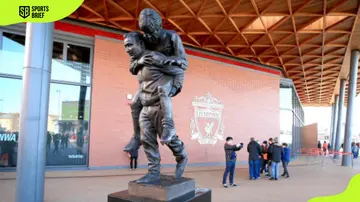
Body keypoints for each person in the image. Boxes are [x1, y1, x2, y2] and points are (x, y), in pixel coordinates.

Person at [123, 31, 187, 183]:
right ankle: (153, 172)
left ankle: (181, 156)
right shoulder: (136, 61)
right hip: (145, 107)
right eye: (126, 46)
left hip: (159, 105)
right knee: (147, 140)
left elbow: (179, 70)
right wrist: (139, 62)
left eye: (130, 45)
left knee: (169, 140)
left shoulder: (154, 58)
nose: (128, 49)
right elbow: (132, 68)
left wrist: (171, 88)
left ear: (141, 44)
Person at [123, 8, 188, 152]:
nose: (149, 37)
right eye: (146, 33)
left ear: (159, 27)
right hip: (154, 75)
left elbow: (184, 63)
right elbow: (133, 64)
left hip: (172, 73)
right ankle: (137, 137)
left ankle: (169, 127)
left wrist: (164, 59)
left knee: (162, 91)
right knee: (134, 103)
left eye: (152, 33)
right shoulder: (144, 39)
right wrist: (140, 61)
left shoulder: (172, 36)